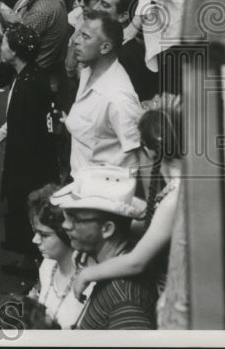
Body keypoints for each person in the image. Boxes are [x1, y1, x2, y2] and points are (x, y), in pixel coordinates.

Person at [72, 97, 183, 317]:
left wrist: (87, 274)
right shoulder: (178, 187)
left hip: (171, 302)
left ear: (149, 150)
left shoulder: (174, 199)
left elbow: (136, 262)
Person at [0, 25, 61, 279]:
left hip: (30, 164)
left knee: (26, 209)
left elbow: (32, 131)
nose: (1, 47)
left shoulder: (31, 83)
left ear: (16, 51)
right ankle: (27, 257)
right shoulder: (26, 76)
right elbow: (15, 118)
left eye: (5, 43)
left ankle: (31, 262)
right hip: (25, 158)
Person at [52, 166, 156, 329]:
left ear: (107, 229)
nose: (65, 225)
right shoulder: (115, 266)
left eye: (75, 219)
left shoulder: (124, 298)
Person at [65, 13, 144, 177]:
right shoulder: (87, 72)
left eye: (85, 37)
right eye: (79, 34)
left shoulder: (119, 97)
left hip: (102, 193)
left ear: (105, 47)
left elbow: (140, 155)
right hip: (79, 180)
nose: (76, 40)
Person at [26, 184, 88, 329]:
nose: (35, 240)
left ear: (67, 234)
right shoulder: (47, 264)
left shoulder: (88, 285)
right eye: (36, 232)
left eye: (44, 235)